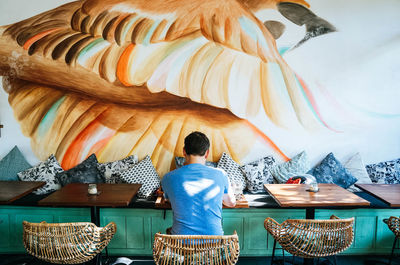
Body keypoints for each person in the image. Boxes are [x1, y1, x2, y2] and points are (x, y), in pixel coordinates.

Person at [161, 131, 236, 235]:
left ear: (184, 152)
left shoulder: (168, 178)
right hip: (214, 244)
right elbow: (231, 203)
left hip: (181, 244)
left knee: (170, 231)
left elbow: (168, 199)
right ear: (207, 153)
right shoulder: (220, 174)